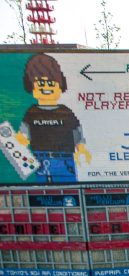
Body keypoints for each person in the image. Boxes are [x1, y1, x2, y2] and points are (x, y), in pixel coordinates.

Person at [15, 53, 90, 183]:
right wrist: (16, 143)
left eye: (50, 83)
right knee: (44, 188)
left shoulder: (66, 112)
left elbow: (77, 134)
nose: (45, 87)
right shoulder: (31, 113)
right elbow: (23, 136)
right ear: (31, 86)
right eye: (40, 83)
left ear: (60, 85)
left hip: (65, 159)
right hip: (39, 159)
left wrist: (81, 149)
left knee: (68, 187)